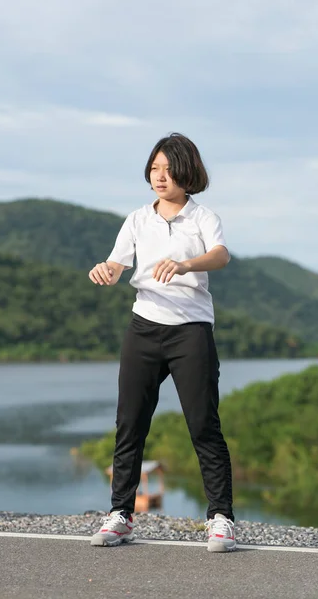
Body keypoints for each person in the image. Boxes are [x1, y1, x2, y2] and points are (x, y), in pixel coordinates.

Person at [88, 132, 235, 553]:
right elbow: (118, 263)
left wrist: (187, 263)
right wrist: (107, 270)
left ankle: (220, 518)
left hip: (191, 331)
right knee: (130, 423)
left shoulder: (203, 217)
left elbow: (221, 255)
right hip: (144, 328)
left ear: (188, 172)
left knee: (203, 425)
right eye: (155, 168)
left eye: (169, 170)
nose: (160, 176)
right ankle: (121, 515)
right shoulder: (137, 219)